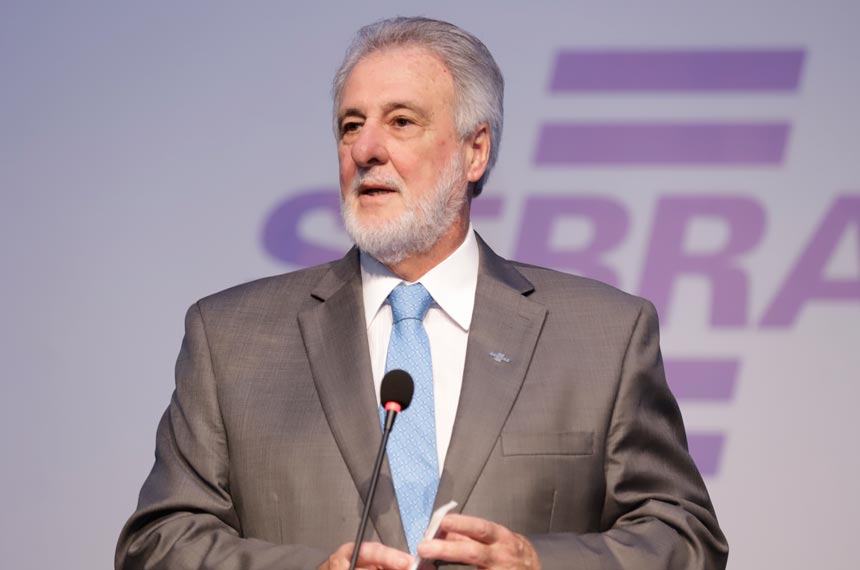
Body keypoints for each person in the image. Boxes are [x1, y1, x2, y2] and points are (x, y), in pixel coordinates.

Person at [116, 16, 728, 570]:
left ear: (474, 151)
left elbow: (684, 537)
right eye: (350, 126)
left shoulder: (603, 337)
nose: (365, 149)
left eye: (401, 122)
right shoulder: (230, 340)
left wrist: (537, 563)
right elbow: (157, 543)